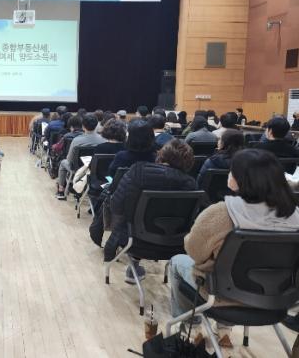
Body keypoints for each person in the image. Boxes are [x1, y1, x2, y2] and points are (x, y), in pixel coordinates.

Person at [169, 149, 299, 348]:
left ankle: (190, 326)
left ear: (241, 180)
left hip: (222, 297)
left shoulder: (221, 213)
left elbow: (194, 251)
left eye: (232, 171)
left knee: (177, 262)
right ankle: (224, 331)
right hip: (279, 300)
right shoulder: (295, 215)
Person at [101, 140, 197, 283]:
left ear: (162, 155)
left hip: (134, 240)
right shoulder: (191, 184)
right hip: (175, 244)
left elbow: (116, 206)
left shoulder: (138, 171)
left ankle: (133, 266)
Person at [56, 114, 104, 200]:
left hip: (77, 168)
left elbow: (69, 159)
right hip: (95, 169)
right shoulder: (103, 140)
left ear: (83, 126)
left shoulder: (77, 140)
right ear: (96, 125)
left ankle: (61, 190)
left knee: (63, 163)